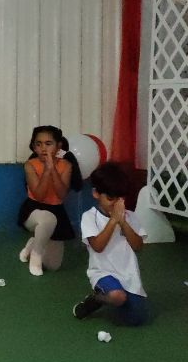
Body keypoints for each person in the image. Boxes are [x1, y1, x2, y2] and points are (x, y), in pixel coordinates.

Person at [73, 162, 149, 326]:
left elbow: (138, 246)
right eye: (110, 198)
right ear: (96, 193)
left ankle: (116, 300)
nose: (116, 204)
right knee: (117, 296)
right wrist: (113, 221)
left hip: (128, 275)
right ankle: (97, 299)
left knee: (136, 320)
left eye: (120, 199)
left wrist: (123, 222)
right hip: (102, 273)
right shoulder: (90, 217)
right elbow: (98, 246)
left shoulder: (130, 216)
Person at [17, 126, 82, 276]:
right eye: (38, 144)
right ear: (34, 147)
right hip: (33, 210)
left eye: (48, 144)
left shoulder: (66, 165)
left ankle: (33, 243)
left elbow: (61, 194)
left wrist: (53, 169)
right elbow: (39, 195)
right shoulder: (30, 165)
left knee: (52, 266)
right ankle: (36, 255)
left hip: (57, 210)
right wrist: (46, 170)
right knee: (47, 218)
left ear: (58, 146)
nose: (43, 148)